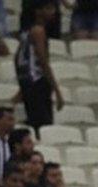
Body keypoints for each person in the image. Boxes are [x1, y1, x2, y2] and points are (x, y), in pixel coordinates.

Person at [14, 0, 63, 132]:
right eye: (49, 8)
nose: (53, 12)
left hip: (28, 82)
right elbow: (43, 61)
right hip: (37, 81)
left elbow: (19, 59)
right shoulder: (38, 31)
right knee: (43, 124)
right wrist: (56, 90)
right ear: (38, 11)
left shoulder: (26, 32)